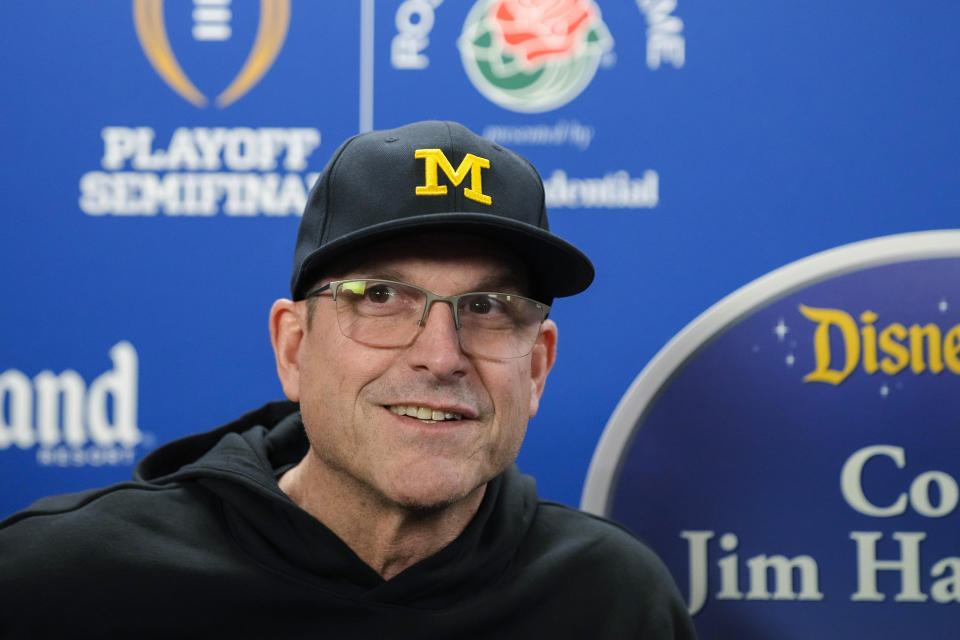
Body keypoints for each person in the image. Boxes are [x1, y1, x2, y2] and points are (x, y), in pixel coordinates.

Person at [0, 121, 696, 638]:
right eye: (382, 299)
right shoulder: (59, 582)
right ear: (294, 348)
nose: (441, 356)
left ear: (538, 366)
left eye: (486, 308)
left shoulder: (613, 602)